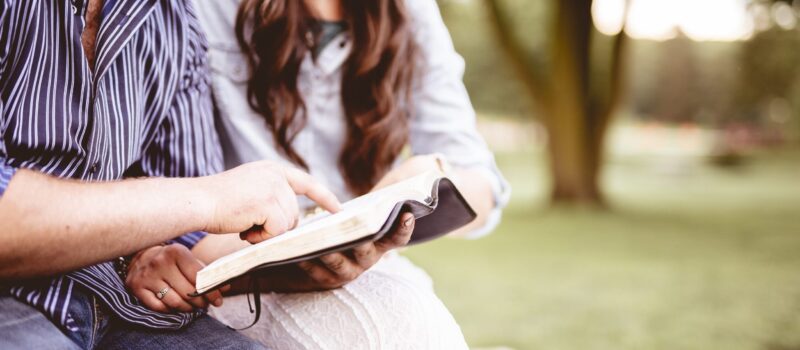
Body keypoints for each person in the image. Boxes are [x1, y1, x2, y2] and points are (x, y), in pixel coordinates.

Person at [124, 0, 511, 348]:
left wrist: (422, 180)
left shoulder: (411, 11)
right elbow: (172, 176)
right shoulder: (202, 9)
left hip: (362, 264)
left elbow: (482, 181)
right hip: (235, 266)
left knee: (412, 321)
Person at [0, 1, 345, 349]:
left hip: (115, 303)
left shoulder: (172, 18)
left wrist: (291, 258)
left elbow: (190, 235)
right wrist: (208, 197)